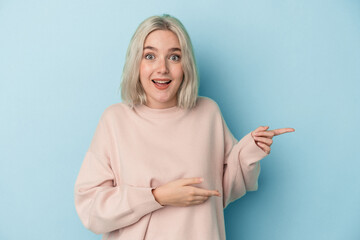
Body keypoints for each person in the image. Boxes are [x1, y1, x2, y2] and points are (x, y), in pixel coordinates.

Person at [74, 14, 295, 240]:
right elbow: (91, 209)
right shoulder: (115, 120)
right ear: (136, 64)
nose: (162, 68)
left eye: (174, 57)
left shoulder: (207, 113)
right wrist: (157, 196)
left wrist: (249, 150)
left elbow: (222, 191)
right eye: (150, 56)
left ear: (185, 65)